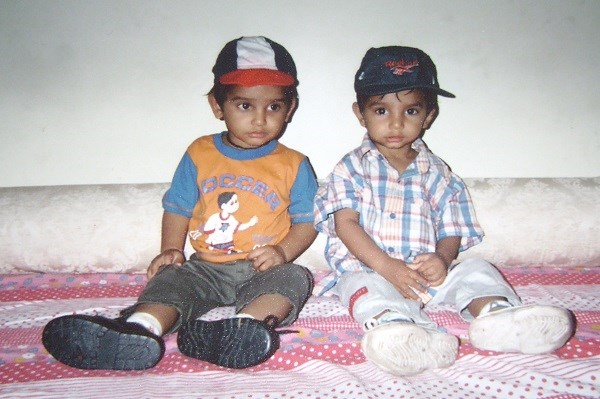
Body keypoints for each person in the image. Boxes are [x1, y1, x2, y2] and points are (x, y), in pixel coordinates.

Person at [42, 36, 318, 371]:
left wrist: (283, 252)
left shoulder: (294, 163)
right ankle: (139, 329)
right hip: (204, 268)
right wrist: (171, 249)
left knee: (294, 278)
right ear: (218, 105)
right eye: (245, 105)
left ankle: (244, 327)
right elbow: (178, 207)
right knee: (170, 281)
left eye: (273, 106)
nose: (260, 119)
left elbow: (308, 222)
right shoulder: (200, 153)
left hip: (262, 269)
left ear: (289, 109)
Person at [313, 46, 574, 376]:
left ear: (428, 116)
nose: (395, 122)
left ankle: (497, 315)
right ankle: (397, 330)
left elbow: (451, 227)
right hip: (371, 269)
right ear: (360, 113)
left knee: (477, 267)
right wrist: (386, 266)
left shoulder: (438, 173)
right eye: (381, 111)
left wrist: (442, 259)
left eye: (410, 111)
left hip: (426, 275)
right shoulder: (351, 168)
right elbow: (346, 223)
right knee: (360, 289)